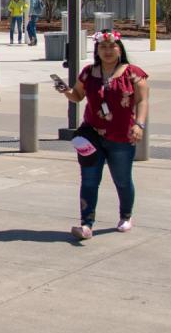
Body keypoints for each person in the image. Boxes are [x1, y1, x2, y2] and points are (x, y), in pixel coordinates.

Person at [54, 30, 149, 239]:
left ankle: (125, 215)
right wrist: (65, 91)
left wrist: (139, 125)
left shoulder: (133, 73)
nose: (107, 51)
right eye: (103, 47)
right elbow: (78, 96)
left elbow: (142, 100)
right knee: (89, 180)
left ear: (119, 49)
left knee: (122, 179)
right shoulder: (89, 72)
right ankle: (86, 224)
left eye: (111, 46)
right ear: (96, 50)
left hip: (122, 135)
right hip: (92, 135)